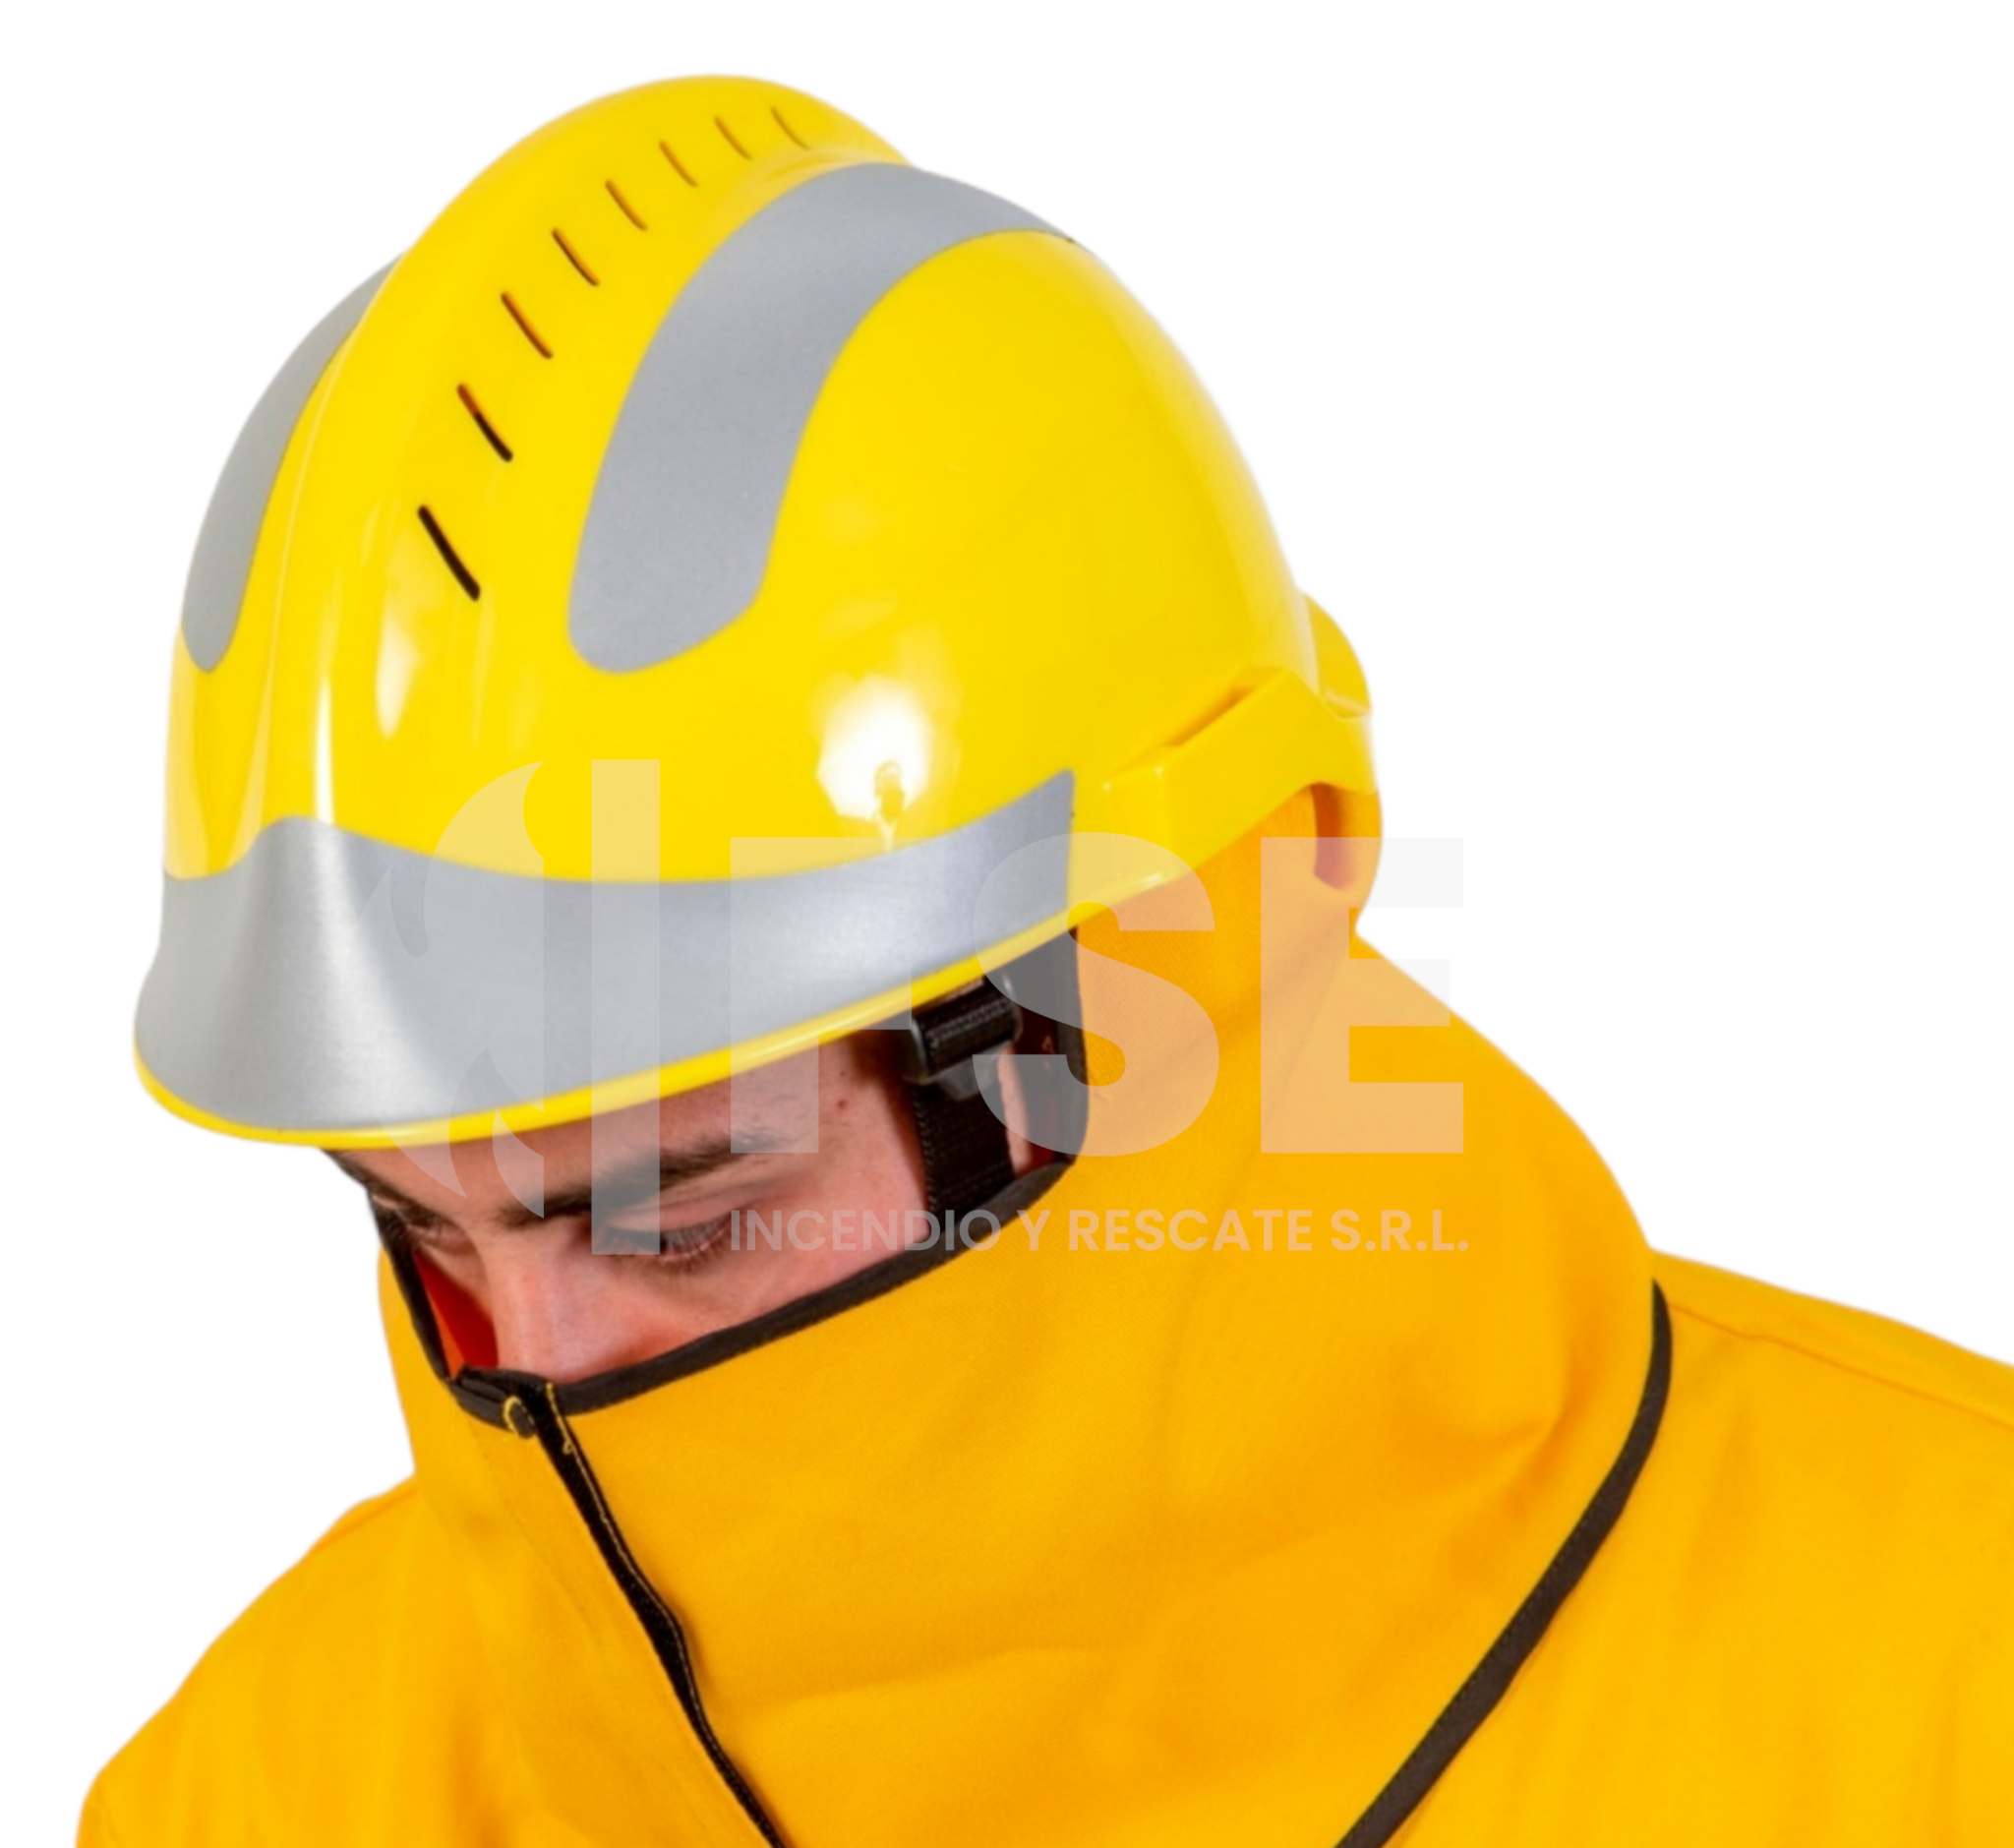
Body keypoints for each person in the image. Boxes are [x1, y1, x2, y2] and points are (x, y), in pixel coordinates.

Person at [86, 74, 2014, 1848]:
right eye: (421, 1227)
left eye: (676, 1213)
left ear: (1176, 985)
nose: (534, 1377)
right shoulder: (261, 1792)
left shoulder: (1946, 1694)